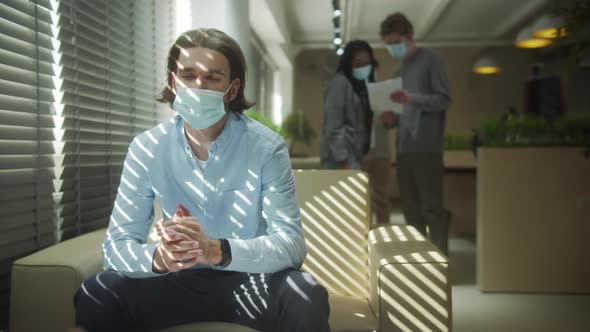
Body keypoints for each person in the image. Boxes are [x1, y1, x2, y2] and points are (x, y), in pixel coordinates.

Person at [72, 28, 330, 332]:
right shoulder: (147, 148)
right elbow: (116, 248)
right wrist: (160, 258)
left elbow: (291, 246)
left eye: (211, 78)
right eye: (188, 75)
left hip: (252, 281)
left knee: (305, 292)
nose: (197, 86)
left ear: (232, 90)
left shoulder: (266, 148)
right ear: (173, 82)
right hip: (175, 283)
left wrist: (216, 250)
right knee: (100, 290)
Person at [379, 13, 452, 255]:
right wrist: (391, 119)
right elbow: (402, 114)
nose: (392, 48)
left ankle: (440, 263)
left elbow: (444, 99)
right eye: (388, 44)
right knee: (410, 209)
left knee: (432, 207)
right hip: (404, 148)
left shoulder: (432, 61)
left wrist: (412, 98)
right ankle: (421, 264)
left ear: (409, 37)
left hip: (427, 147)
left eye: (395, 41)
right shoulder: (398, 71)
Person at [320, 40, 392, 225]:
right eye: (358, 63)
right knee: (342, 212)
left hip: (356, 156)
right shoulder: (340, 83)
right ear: (348, 63)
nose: (363, 67)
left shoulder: (359, 87)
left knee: (355, 210)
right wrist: (344, 159)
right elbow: (333, 126)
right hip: (341, 159)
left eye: (366, 63)